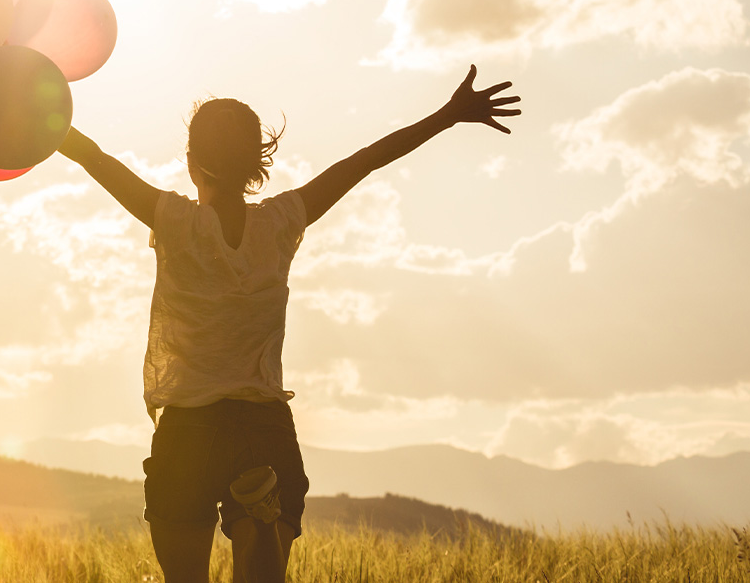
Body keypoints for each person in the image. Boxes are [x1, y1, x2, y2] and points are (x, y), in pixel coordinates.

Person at [56, 65, 521, 583]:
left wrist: (28, 106)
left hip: (190, 424)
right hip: (263, 425)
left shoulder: (172, 219)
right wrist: (447, 116)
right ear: (257, 161)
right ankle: (256, 518)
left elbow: (91, 157)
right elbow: (363, 162)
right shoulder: (281, 221)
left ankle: (254, 521)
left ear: (192, 163)